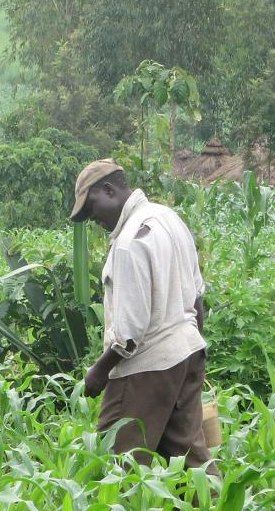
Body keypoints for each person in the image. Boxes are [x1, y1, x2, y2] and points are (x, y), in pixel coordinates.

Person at [70, 158, 217, 474]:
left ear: (109, 189)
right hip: (188, 349)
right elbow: (196, 295)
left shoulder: (128, 244)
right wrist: (196, 354)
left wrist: (99, 371)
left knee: (119, 460)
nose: (91, 218)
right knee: (188, 456)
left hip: (148, 365)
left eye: (91, 206)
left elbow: (130, 333)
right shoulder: (169, 218)